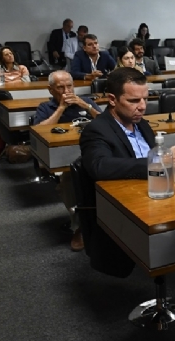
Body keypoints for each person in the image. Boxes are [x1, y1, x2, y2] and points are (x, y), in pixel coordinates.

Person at [80, 67, 175, 275]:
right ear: (112, 100)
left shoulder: (141, 123)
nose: (142, 106)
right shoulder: (96, 129)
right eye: (134, 101)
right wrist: (160, 160)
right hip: (129, 205)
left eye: (145, 99)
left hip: (157, 192)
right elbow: (100, 166)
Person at [34, 70, 102, 251]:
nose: (66, 91)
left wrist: (86, 107)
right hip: (65, 159)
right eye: (60, 87)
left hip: (94, 152)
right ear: (50, 90)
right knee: (69, 182)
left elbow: (107, 122)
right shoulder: (45, 108)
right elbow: (38, 131)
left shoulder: (86, 102)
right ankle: (80, 226)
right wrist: (61, 108)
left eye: (69, 86)